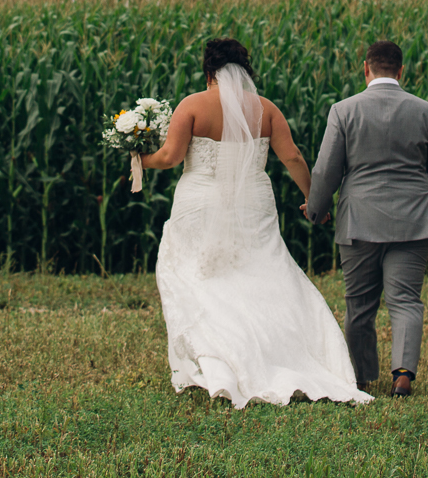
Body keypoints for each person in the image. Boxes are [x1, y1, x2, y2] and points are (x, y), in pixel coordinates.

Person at [139, 38, 371, 408]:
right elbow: (293, 157)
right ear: (245, 70)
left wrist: (139, 158)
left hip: (199, 200)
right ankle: (282, 353)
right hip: (253, 203)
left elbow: (169, 157)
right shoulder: (265, 110)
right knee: (264, 272)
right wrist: (314, 200)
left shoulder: (192, 106)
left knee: (198, 275)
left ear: (208, 70)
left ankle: (219, 359)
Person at [302, 40, 428, 398]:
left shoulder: (344, 110)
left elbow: (326, 170)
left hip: (360, 221)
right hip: (414, 221)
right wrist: (426, 204)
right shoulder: (425, 111)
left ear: (365, 69)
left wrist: (316, 209)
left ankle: (362, 377)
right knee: (406, 300)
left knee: (360, 304)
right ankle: (402, 377)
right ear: (401, 71)